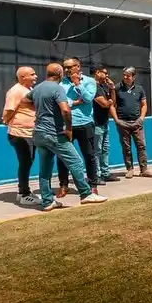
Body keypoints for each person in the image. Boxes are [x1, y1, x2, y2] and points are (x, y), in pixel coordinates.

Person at [26, 63, 108, 210]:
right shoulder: (58, 88)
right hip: (54, 133)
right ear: (59, 74)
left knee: (45, 169)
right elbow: (65, 110)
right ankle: (86, 194)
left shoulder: (37, 88)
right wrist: (69, 128)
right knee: (76, 162)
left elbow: (24, 101)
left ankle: (47, 201)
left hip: (38, 133)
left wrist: (42, 110)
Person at [55, 57, 99, 197]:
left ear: (78, 67)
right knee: (63, 156)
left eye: (70, 67)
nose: (67, 70)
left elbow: (88, 99)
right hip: (66, 125)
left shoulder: (90, 81)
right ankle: (63, 185)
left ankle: (92, 185)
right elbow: (60, 101)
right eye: (65, 67)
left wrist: (77, 84)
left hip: (85, 123)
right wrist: (75, 102)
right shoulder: (60, 83)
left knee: (89, 155)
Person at [2, 66, 40, 206]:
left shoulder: (28, 90)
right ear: (23, 77)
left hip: (30, 133)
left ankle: (23, 192)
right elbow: (9, 111)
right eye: (32, 74)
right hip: (20, 134)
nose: (35, 76)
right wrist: (8, 121)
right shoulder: (15, 91)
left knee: (28, 161)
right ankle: (24, 194)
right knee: (25, 162)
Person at [111, 66, 152, 178]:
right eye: (124, 75)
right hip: (123, 123)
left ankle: (144, 169)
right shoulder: (117, 88)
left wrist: (141, 118)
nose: (126, 77)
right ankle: (130, 169)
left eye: (128, 75)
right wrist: (116, 120)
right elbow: (111, 105)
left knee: (141, 146)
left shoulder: (139, 89)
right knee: (126, 147)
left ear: (134, 76)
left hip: (137, 122)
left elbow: (144, 105)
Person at [92, 65, 119, 183]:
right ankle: (96, 175)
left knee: (105, 149)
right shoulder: (93, 87)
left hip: (104, 122)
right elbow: (104, 104)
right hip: (96, 123)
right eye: (105, 73)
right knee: (96, 150)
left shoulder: (103, 86)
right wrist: (109, 102)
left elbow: (112, 103)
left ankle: (105, 173)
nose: (107, 75)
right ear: (97, 73)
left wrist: (112, 89)